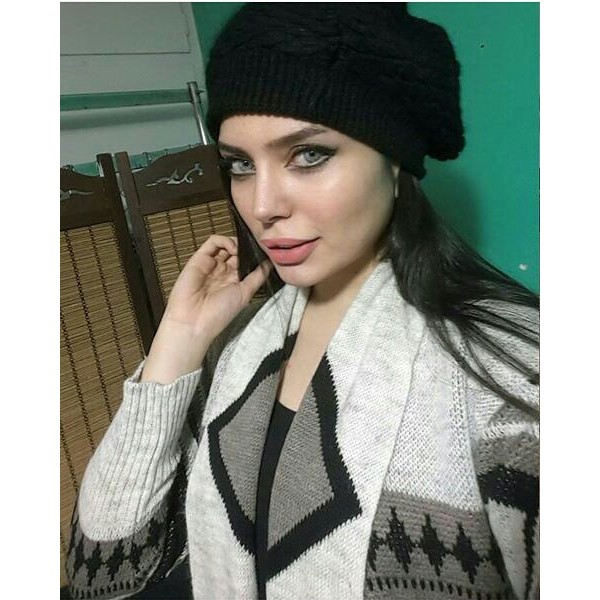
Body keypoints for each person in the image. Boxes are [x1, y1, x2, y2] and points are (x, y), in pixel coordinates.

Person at [66, 3, 539, 600]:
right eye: (240, 165)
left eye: (309, 155)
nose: (263, 206)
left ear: (394, 159)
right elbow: (102, 570)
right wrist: (176, 345)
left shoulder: (512, 380)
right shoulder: (239, 348)